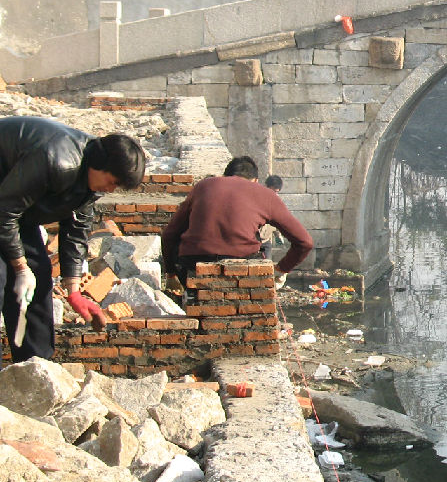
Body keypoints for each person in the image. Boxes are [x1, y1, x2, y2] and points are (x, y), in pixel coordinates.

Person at [1, 116, 147, 362]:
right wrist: (19, 265)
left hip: (14, 209)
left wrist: (74, 292)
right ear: (99, 166)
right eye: (112, 182)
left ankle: (34, 366)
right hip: (5, 205)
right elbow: (4, 211)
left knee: (37, 279)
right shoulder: (56, 160)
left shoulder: (91, 181)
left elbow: (76, 230)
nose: (111, 190)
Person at [161, 155, 313, 292]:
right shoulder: (265, 194)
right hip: (243, 268)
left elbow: (169, 235)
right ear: (256, 181)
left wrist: (170, 274)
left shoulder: (203, 186)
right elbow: (304, 242)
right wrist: (282, 269)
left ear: (225, 176)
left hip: (193, 265)